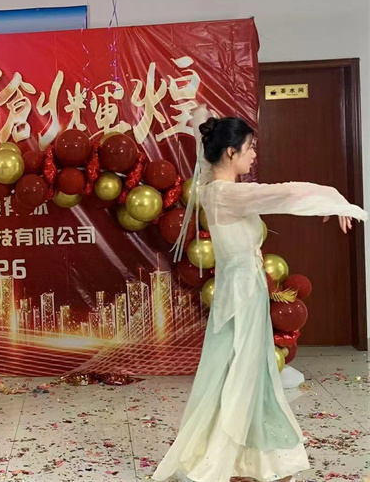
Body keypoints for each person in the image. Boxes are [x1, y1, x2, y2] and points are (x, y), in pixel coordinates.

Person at [153, 107, 366, 482]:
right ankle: (234, 460)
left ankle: (247, 460)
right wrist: (337, 201)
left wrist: (332, 202)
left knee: (243, 373)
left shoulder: (214, 190)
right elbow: (284, 194)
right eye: (249, 147)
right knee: (243, 374)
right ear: (230, 152)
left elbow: (282, 196)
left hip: (241, 291)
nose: (253, 155)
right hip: (242, 295)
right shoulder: (225, 194)